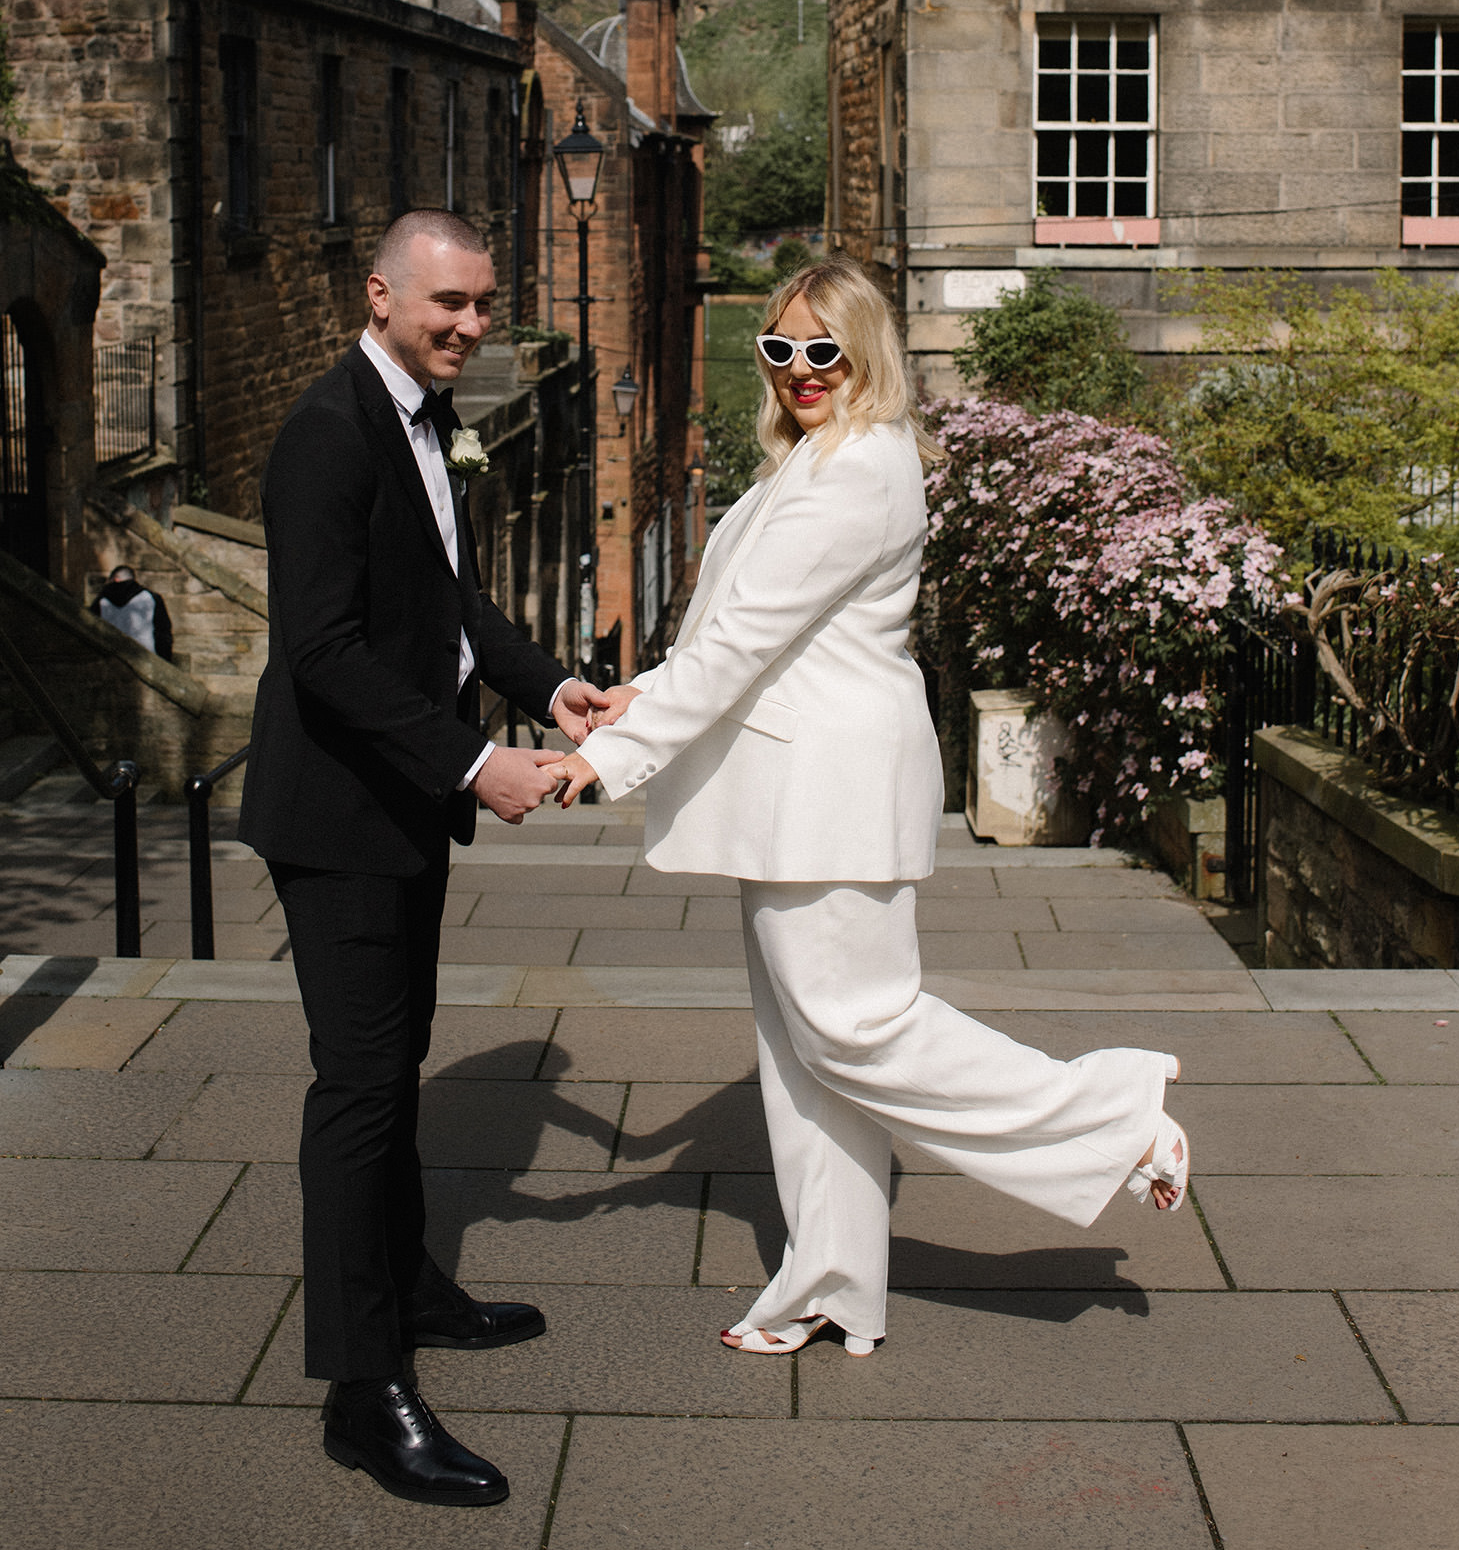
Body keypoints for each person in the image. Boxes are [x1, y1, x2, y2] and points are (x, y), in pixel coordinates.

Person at [555, 253, 1190, 1358]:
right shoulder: (818, 456)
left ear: (867, 353)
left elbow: (749, 641)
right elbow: (739, 635)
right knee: (805, 1060)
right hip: (794, 793)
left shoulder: (857, 472)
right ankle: (833, 1285)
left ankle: (1116, 1118)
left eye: (824, 350)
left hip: (829, 793)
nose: (801, 370)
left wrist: (610, 762)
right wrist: (635, 697)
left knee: (856, 1031)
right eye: (780, 348)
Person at [239, 209, 613, 1507]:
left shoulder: (421, 416)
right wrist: (475, 762)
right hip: (338, 815)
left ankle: (410, 1285)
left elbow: (446, 594)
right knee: (356, 1085)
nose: (470, 324)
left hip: (396, 807)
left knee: (393, 1062)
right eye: (447, 302)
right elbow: (323, 654)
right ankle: (361, 1385)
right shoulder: (327, 434)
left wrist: (547, 683)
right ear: (381, 292)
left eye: (483, 304)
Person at [92, 564, 173, 659]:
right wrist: (165, 658)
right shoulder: (150, 598)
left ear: (115, 579)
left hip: (111, 659)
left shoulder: (101, 601)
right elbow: (163, 632)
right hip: (146, 657)